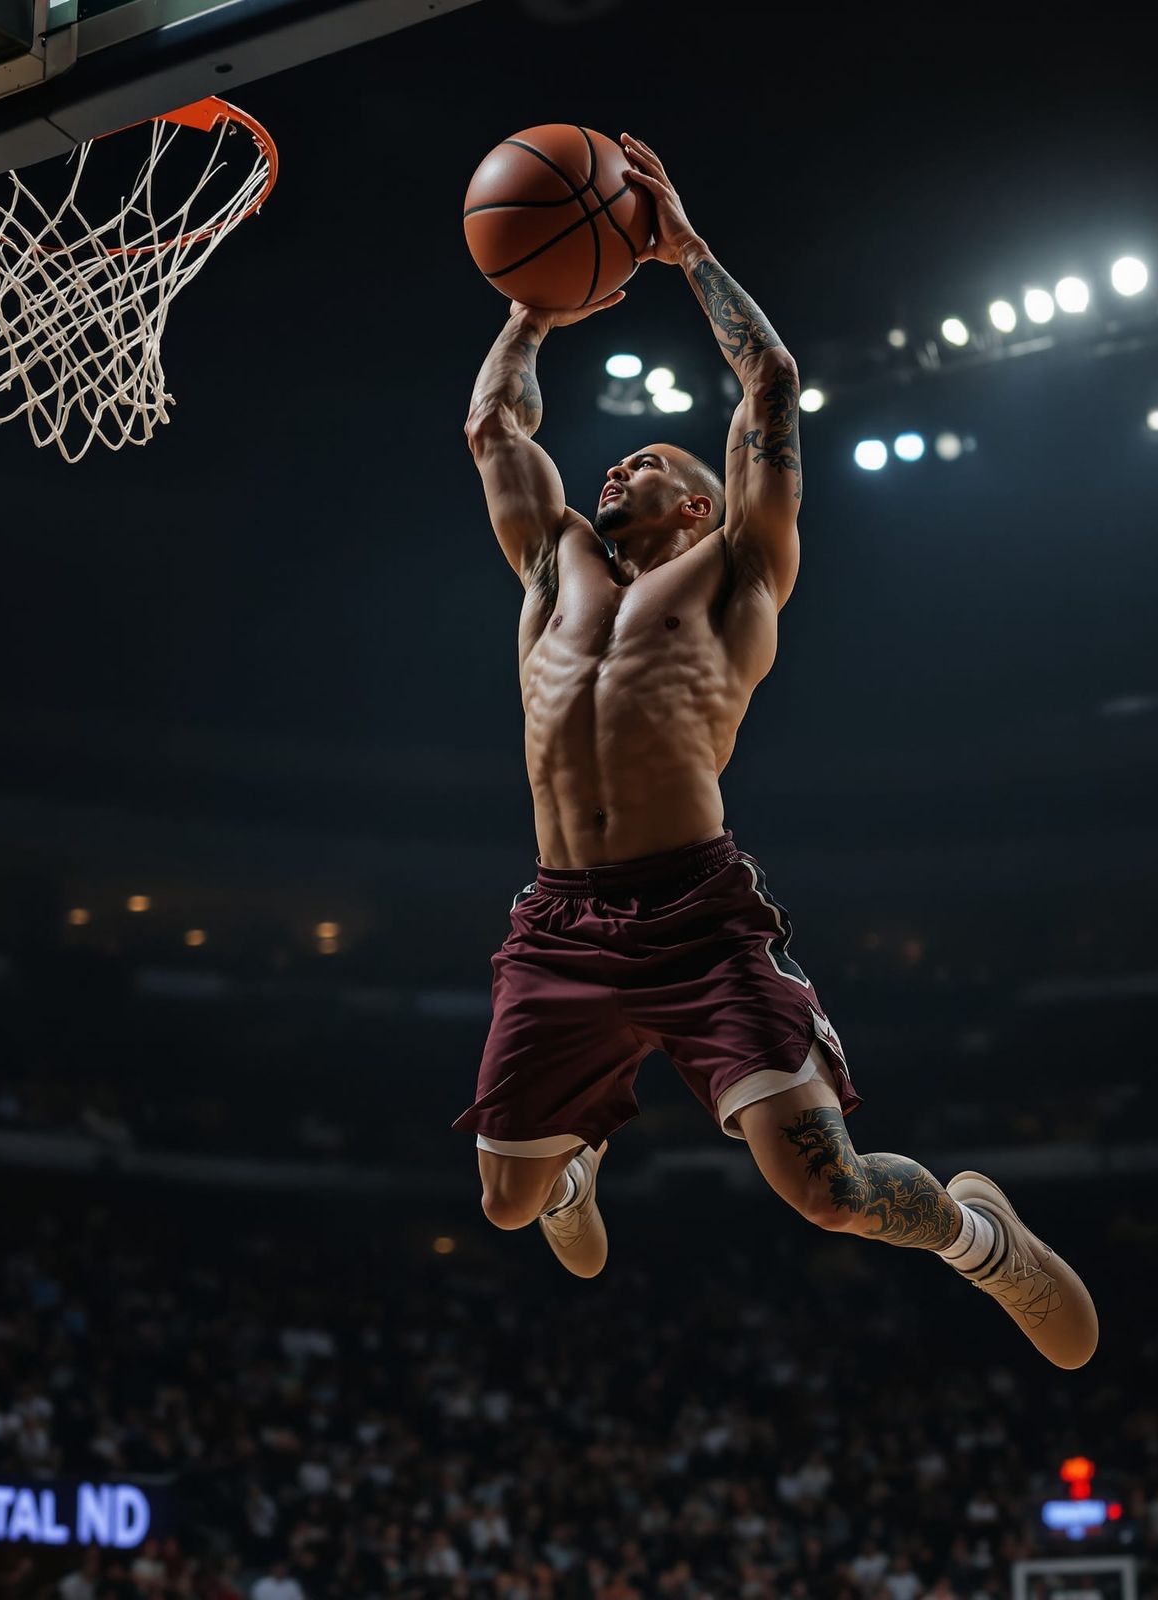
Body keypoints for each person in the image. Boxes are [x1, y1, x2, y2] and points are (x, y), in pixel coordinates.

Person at [455, 133, 1097, 1370]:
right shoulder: (553, 562)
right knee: (504, 1204)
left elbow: (770, 382)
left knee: (830, 1190)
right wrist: (533, 311)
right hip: (560, 919)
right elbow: (493, 424)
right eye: (618, 458)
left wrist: (685, 250)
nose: (616, 464)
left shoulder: (737, 566)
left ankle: (981, 1238)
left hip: (693, 916)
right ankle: (575, 1160)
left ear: (699, 502)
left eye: (647, 460)